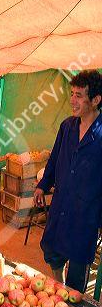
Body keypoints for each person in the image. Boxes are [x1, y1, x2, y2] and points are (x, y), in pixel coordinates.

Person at [34, 70, 102, 292]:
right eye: (72, 93)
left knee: (78, 267)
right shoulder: (68, 127)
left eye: (79, 95)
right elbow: (54, 160)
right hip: (61, 204)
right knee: (52, 253)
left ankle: (72, 302)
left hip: (86, 212)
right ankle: (58, 284)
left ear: (96, 100)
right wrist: (43, 186)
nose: (72, 100)